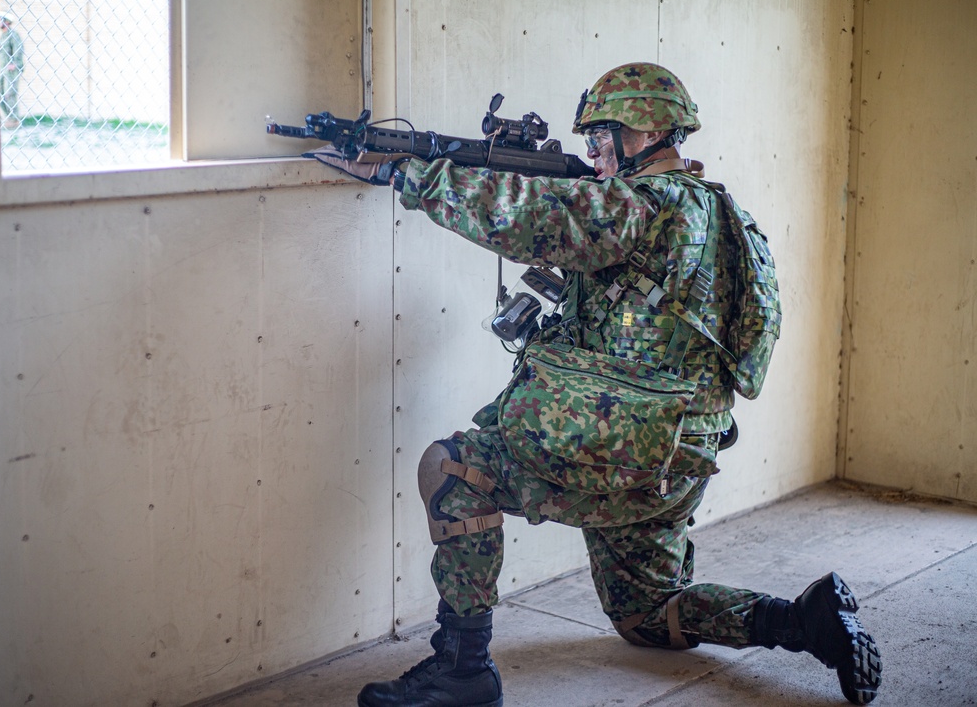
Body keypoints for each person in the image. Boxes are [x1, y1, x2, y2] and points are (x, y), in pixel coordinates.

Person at [316, 63, 882, 707]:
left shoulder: (644, 203)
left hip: (621, 446)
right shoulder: (724, 214)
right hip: (683, 453)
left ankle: (461, 670)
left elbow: (529, 218)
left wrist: (402, 171)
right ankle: (801, 621)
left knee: (453, 469)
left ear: (638, 132)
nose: (590, 153)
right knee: (649, 616)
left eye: (599, 137)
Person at [0, 11, 25, 130]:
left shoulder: (13, 34)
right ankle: (9, 116)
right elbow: (0, 53)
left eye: (2, 20)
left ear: (7, 22)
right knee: (0, 94)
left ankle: (14, 119)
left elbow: (18, 49)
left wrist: (15, 64)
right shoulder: (2, 36)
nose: (0, 23)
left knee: (10, 94)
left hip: (11, 70)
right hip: (3, 70)